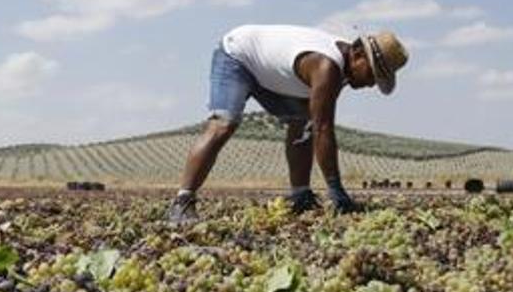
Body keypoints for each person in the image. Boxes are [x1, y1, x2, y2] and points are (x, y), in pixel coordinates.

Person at [167, 25, 409, 224]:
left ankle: (301, 196)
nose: (370, 84)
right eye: (371, 75)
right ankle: (182, 202)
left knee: (303, 124)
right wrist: (336, 190)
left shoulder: (345, 66)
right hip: (238, 56)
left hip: (270, 75)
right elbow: (325, 127)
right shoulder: (327, 67)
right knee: (224, 124)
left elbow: (316, 125)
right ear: (357, 55)